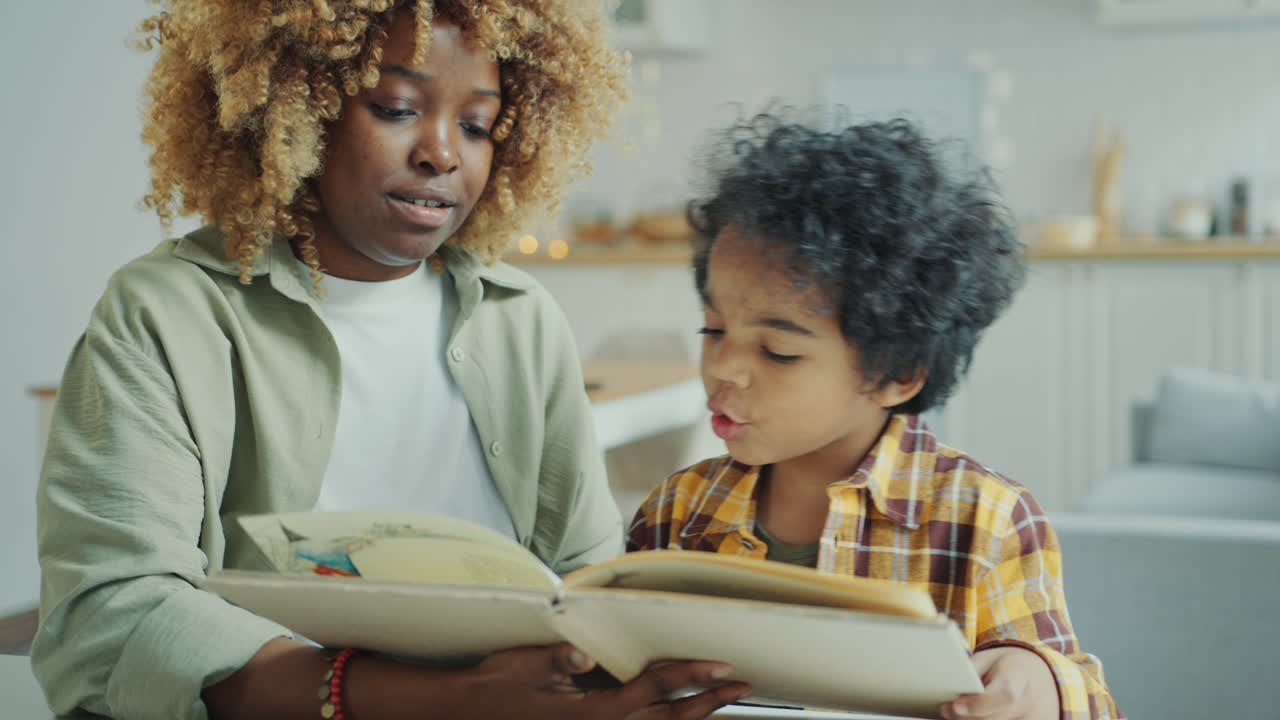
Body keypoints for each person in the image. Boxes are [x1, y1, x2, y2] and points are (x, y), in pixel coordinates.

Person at [32, 2, 750, 719]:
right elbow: (109, 620)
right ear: (295, 108)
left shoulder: (522, 319)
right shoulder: (168, 314)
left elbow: (587, 582)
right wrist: (446, 700)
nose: (443, 153)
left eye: (477, 125)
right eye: (397, 109)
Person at [627, 112, 1123, 720]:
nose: (724, 366)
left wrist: (1039, 684)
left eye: (778, 351)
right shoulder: (677, 511)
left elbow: (1083, 697)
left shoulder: (986, 522)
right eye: (713, 329)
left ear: (897, 373)